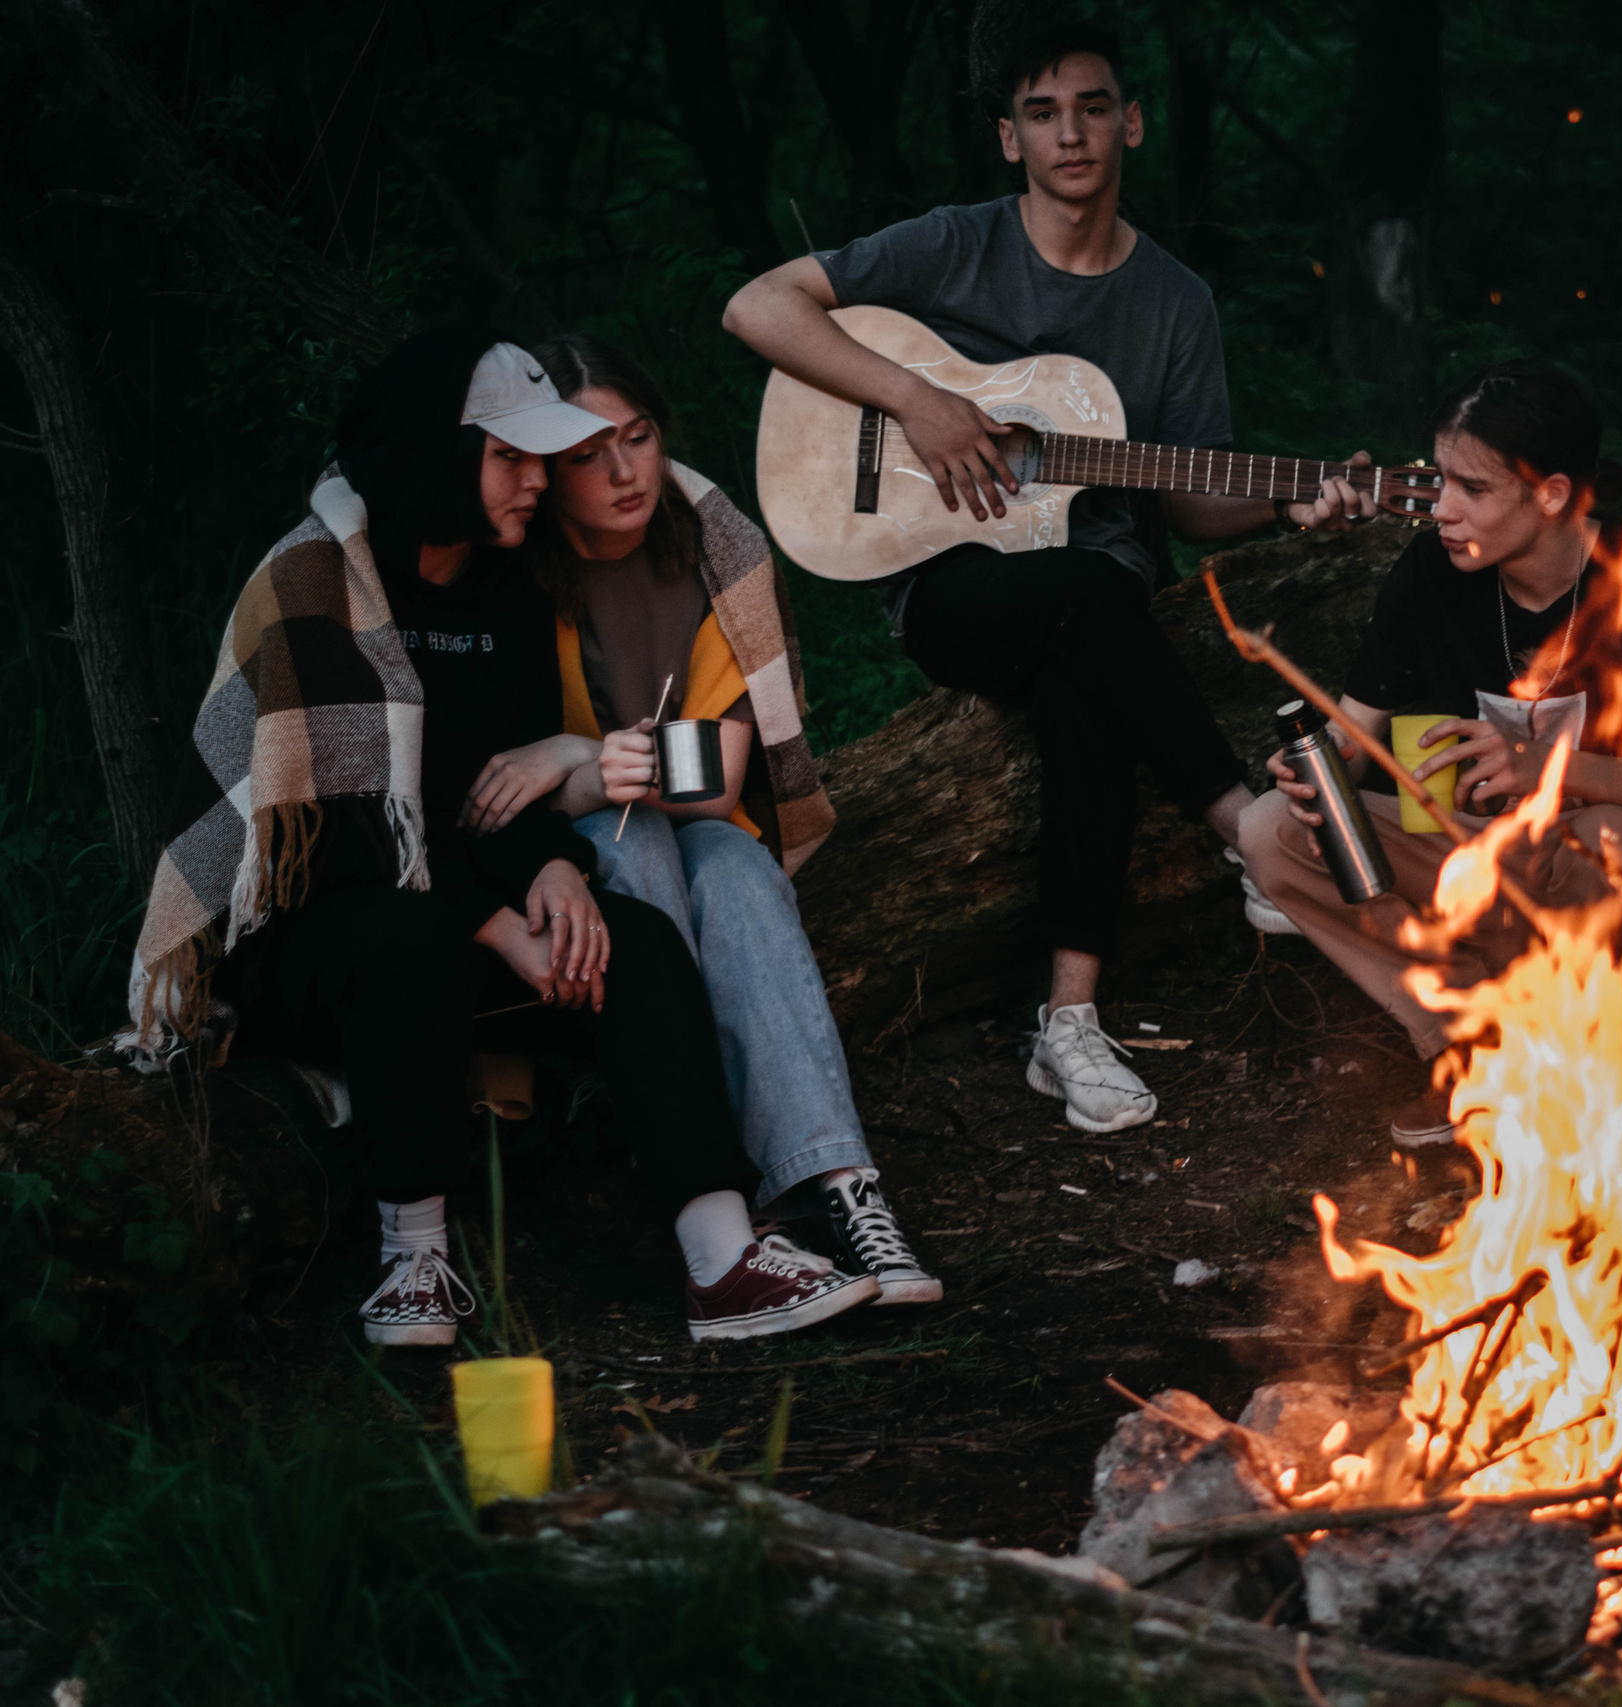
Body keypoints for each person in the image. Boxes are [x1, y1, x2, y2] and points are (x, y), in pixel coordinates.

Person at [123, 326, 872, 1346]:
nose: (536, 483)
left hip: (463, 897)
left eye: (536, 459)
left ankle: (721, 1255)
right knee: (411, 941)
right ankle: (413, 1257)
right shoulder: (315, 584)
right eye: (511, 457)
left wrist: (558, 875)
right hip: (314, 939)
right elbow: (343, 838)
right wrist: (502, 926)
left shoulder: (504, 588)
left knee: (637, 941)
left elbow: (491, 790)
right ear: (442, 456)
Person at [720, 18, 1378, 1135]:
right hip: (948, 581)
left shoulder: (1174, 302)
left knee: (1091, 658)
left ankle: (1066, 1024)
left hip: (1093, 597)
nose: (1069, 132)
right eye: (1040, 112)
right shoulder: (953, 245)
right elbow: (758, 306)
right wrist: (919, 403)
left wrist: (1287, 498)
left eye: (1089, 106)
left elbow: (1188, 502)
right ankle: (1248, 825)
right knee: (1093, 600)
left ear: (1131, 119)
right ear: (1007, 138)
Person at [466, 332, 939, 1305]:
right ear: (548, 471)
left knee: (739, 876)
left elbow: (717, 779)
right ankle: (715, 1201)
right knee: (635, 868)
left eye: (637, 438)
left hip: (689, 815)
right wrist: (592, 776)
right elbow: (498, 787)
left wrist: (579, 758)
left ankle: (840, 1185)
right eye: (589, 455)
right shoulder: (514, 570)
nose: (624, 472)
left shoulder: (709, 542)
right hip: (579, 844)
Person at [1235, 362, 1622, 1145]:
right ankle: (1475, 1045)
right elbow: (1356, 726)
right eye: (1439, 480)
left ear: (1552, 494)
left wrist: (1548, 771)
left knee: (1613, 833)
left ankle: (1620, 1041)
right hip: (1480, 853)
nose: (1441, 509)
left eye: (1473, 490)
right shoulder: (1435, 570)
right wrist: (1316, 770)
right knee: (1271, 832)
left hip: (1608, 872)